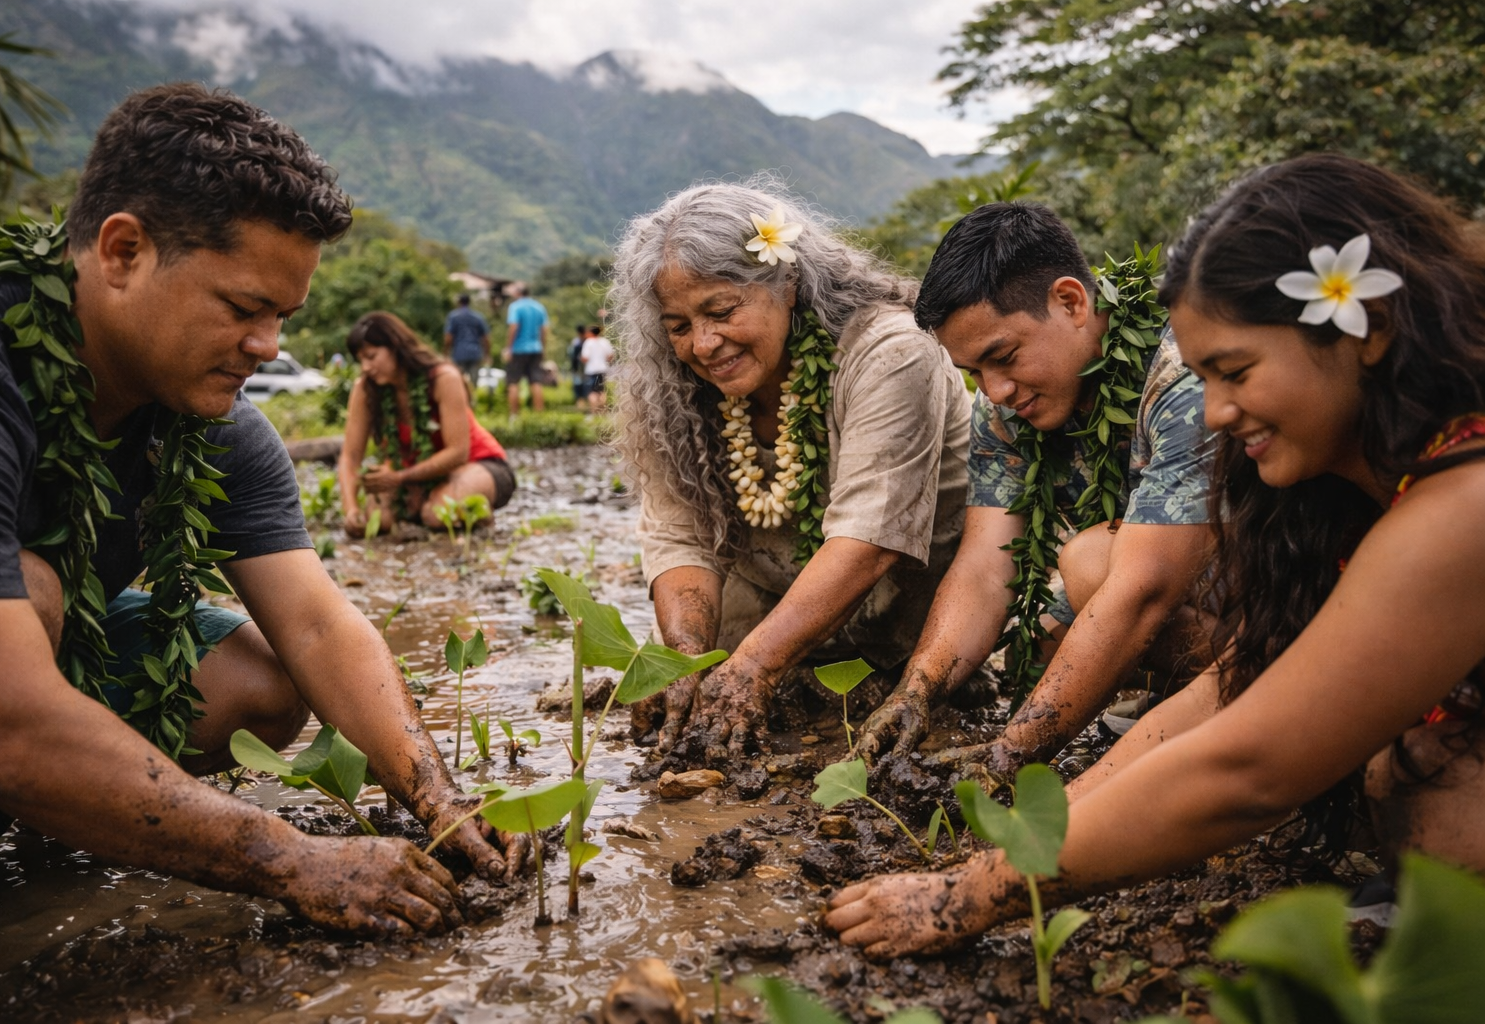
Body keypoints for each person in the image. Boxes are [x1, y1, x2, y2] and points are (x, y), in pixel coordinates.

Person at [826, 154, 1485, 957]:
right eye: (1205, 377)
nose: (1213, 412)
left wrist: (969, 897)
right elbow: (1234, 685)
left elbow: (1247, 770)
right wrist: (1013, 845)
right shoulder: (1341, 483)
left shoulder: (1465, 499)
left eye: (1235, 373)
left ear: (1368, 332)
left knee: (1424, 790)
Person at [0, 84, 515, 936]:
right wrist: (286, 857)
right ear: (123, 251)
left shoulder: (213, 419)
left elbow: (319, 627)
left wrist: (435, 794)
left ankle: (42, 803)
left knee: (259, 679)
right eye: (244, 309)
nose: (268, 348)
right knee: (31, 595)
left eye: (283, 317)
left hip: (24, 679)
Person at [854, 203, 1216, 777]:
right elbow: (983, 567)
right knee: (1044, 635)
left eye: (1003, 357)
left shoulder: (1184, 372)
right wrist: (915, 693)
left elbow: (1142, 588)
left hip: (1280, 590)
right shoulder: (1004, 408)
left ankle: (1250, 696)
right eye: (973, 371)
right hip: (1165, 576)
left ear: (1070, 302)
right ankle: (1174, 702)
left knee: (1091, 563)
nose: (993, 390)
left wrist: (1012, 752)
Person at [611, 180, 972, 756]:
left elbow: (869, 538)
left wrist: (752, 667)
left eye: (722, 311)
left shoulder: (890, 351)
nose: (704, 344)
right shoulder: (669, 389)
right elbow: (680, 537)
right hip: (767, 607)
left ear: (788, 284)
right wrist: (681, 662)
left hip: (906, 611)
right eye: (678, 326)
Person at [339, 311, 514, 536]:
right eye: (360, 360)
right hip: (415, 473)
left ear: (395, 347)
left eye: (371, 356)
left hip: (478, 463)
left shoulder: (443, 378)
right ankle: (429, 502)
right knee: (379, 521)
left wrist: (399, 478)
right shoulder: (365, 388)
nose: (365, 367)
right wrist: (351, 508)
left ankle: (475, 513)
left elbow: (458, 452)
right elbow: (350, 456)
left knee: (437, 514)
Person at [504, 286, 550, 415]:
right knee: (536, 381)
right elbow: (544, 330)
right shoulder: (539, 307)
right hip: (536, 348)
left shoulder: (515, 307)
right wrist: (542, 347)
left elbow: (514, 326)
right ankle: (539, 414)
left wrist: (509, 347)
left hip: (519, 349)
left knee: (513, 382)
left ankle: (514, 415)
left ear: (518, 293)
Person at [443, 293, 491, 386]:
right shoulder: (478, 317)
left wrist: (446, 353)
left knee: (458, 383)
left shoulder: (453, 316)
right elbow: (486, 337)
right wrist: (487, 354)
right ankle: (472, 400)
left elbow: (448, 337)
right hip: (475, 353)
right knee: (473, 384)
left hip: (459, 354)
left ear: (459, 302)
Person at [581, 324, 614, 413]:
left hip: (591, 370)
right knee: (601, 391)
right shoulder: (604, 342)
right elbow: (610, 356)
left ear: (591, 332)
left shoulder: (588, 342)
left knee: (592, 392)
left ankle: (594, 412)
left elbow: (585, 358)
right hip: (602, 369)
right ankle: (603, 412)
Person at [569, 324, 590, 410]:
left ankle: (581, 402)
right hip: (583, 369)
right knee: (583, 385)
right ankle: (582, 403)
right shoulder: (586, 341)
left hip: (580, 368)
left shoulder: (576, 342)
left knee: (579, 386)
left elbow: (572, 356)